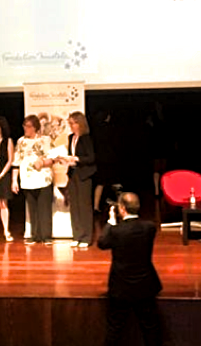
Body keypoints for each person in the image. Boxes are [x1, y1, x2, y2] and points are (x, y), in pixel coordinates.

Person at [98, 191, 163, 346]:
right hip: (145, 285)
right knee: (150, 327)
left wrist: (111, 221)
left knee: (115, 328)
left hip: (120, 287)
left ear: (122, 208)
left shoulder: (116, 231)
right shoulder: (149, 228)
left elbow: (102, 243)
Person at [11, 115, 54, 245]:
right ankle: (35, 235)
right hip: (27, 179)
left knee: (44, 208)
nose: (25, 128)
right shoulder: (21, 141)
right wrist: (14, 180)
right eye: (24, 126)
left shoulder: (45, 140)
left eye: (28, 126)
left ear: (35, 127)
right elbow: (16, 161)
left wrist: (43, 163)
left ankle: (46, 236)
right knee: (32, 208)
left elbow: (53, 158)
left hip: (43, 178)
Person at [62, 111, 96, 248]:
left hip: (84, 175)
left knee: (84, 207)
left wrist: (76, 159)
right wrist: (66, 160)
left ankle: (86, 237)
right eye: (69, 123)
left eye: (73, 123)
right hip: (73, 174)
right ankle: (77, 236)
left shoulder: (86, 138)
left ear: (80, 124)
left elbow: (91, 157)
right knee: (74, 206)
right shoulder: (71, 137)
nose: (71, 126)